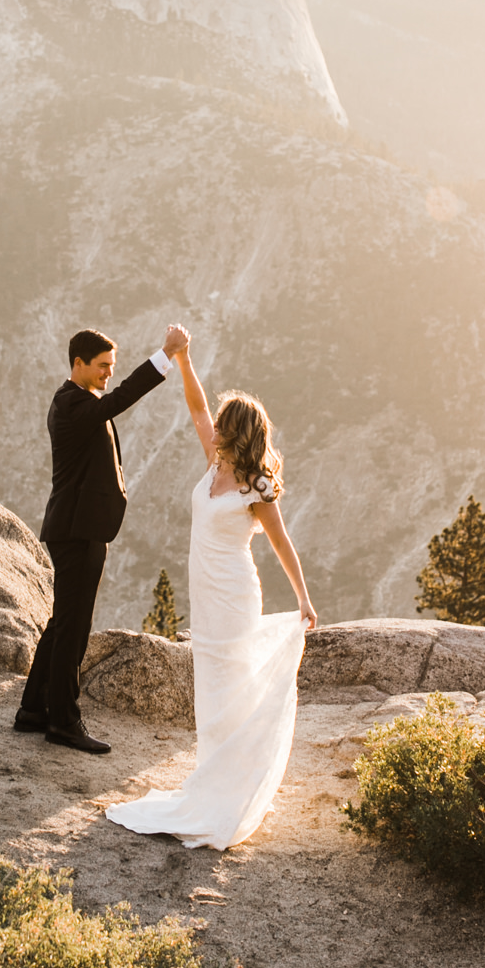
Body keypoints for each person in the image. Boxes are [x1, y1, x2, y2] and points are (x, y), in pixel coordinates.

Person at [106, 346, 316, 850]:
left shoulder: (258, 489)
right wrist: (183, 361)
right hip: (206, 594)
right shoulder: (213, 461)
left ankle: (232, 792)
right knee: (212, 691)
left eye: (224, 424)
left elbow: (282, 543)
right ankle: (215, 778)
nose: (214, 427)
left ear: (238, 432)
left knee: (233, 690)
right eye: (216, 423)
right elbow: (197, 408)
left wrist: (304, 599)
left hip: (236, 596)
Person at [14, 323, 190, 754]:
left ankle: (34, 711)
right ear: (78, 363)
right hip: (77, 531)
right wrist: (165, 355)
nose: (108, 373)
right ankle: (64, 723)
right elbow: (121, 398)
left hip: (78, 526)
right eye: (102, 366)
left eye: (112, 366)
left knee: (63, 624)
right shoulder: (73, 404)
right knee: (74, 628)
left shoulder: (78, 401)